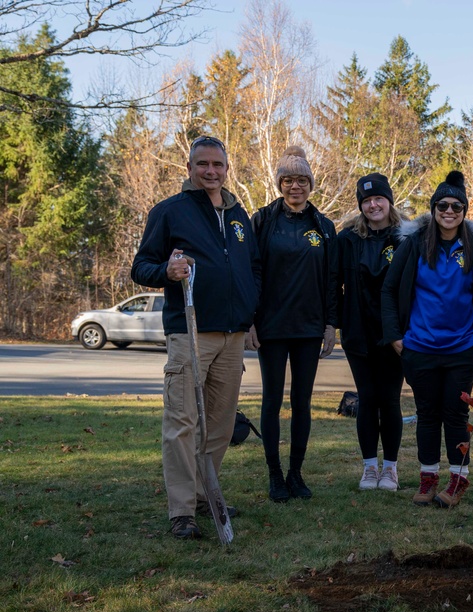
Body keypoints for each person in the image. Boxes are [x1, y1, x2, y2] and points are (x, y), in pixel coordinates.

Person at [131, 136, 260, 539]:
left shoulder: (240, 216)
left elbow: (252, 269)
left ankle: (207, 495)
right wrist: (166, 272)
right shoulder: (170, 212)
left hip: (232, 334)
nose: (210, 171)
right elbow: (141, 266)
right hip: (190, 332)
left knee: (219, 425)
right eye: (202, 164)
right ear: (189, 168)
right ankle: (182, 511)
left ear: (227, 168)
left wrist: (250, 314)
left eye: (217, 164)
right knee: (183, 422)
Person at [381, 171, 473, 509]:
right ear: (433, 209)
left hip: (462, 349)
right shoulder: (415, 245)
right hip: (419, 348)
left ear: (464, 210)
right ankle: (428, 478)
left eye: (457, 206)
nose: (449, 211)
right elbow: (389, 291)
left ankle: (458, 480)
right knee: (428, 414)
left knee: (456, 415)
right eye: (443, 205)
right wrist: (395, 338)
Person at [245, 147, 337, 503]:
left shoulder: (323, 227)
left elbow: (332, 280)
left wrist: (331, 325)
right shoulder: (263, 221)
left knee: (302, 401)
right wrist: (250, 320)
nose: (295, 186)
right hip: (270, 326)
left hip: (309, 328)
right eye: (288, 179)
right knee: (272, 401)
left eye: (301, 179)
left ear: (310, 184)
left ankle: (296, 473)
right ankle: (274, 475)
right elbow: (250, 272)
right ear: (279, 183)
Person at [334, 173, 405, 491]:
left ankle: (390, 468)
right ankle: (369, 468)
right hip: (358, 333)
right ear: (360, 205)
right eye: (366, 200)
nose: (373, 204)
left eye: (378, 198)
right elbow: (333, 284)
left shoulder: (407, 238)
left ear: (389, 200)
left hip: (395, 335)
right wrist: (333, 324)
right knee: (367, 398)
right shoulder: (347, 239)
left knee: (389, 399)